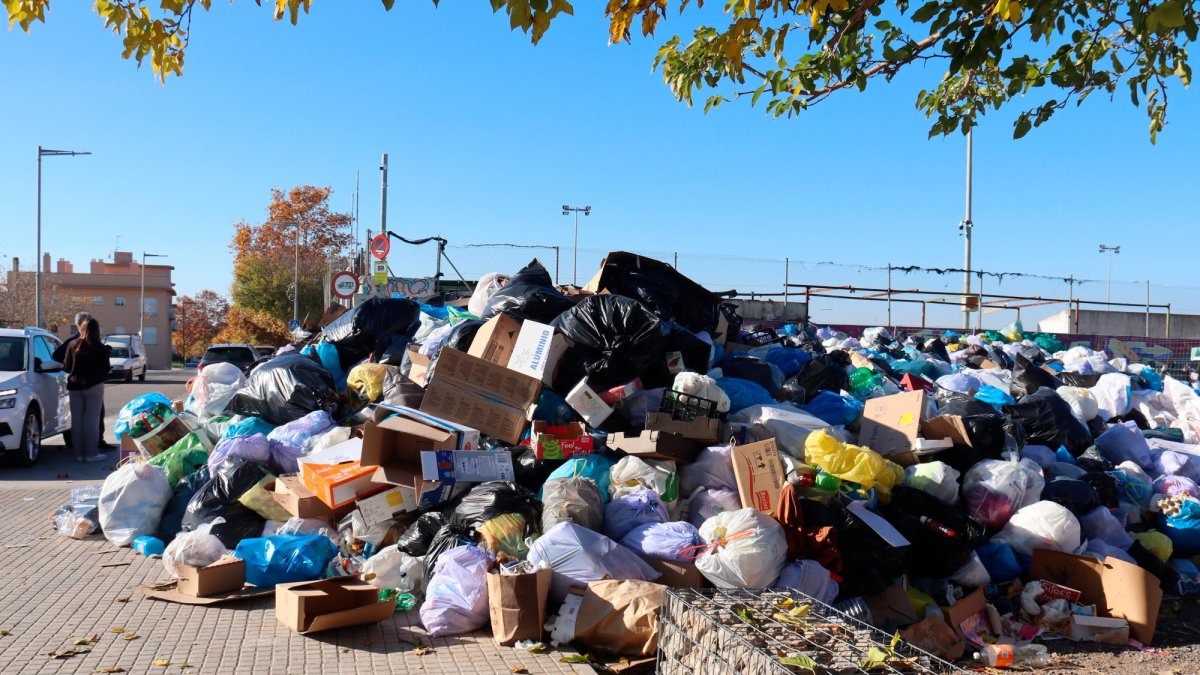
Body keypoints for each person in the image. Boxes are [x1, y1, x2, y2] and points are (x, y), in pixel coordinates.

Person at [53, 311, 113, 450]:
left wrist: (73, 369)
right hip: (93, 384)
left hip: (75, 385)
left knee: (77, 420)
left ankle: (79, 452)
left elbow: (66, 365)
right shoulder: (97, 346)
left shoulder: (72, 343)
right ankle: (92, 450)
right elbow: (105, 368)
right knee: (92, 419)